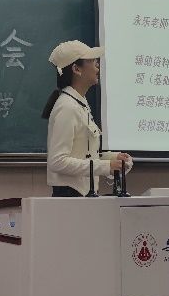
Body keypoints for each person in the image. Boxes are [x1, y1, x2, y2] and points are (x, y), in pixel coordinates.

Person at [41, 40, 132, 196]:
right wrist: (106, 166)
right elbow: (57, 162)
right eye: (91, 61)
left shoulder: (79, 103)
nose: (97, 65)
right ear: (76, 69)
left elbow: (84, 154)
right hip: (70, 196)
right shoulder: (67, 107)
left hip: (81, 195)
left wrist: (113, 158)